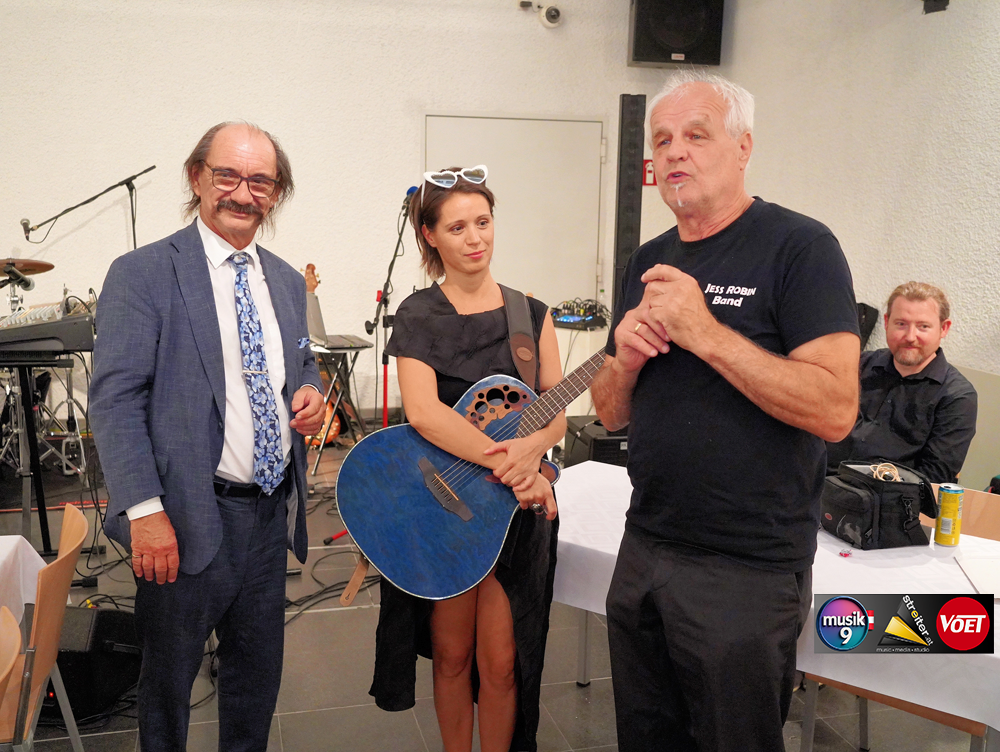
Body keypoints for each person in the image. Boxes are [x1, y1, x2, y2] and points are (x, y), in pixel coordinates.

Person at [590, 71, 861, 752]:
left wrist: (705, 331)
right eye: (662, 140)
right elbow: (611, 414)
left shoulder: (800, 248)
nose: (674, 152)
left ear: (743, 147)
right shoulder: (648, 260)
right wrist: (624, 359)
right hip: (646, 545)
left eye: (696, 135)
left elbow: (835, 409)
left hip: (746, 569)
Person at [89, 122, 326, 752]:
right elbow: (115, 402)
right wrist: (144, 512)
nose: (243, 194)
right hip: (184, 516)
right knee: (166, 689)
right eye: (228, 175)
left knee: (255, 684)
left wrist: (310, 389)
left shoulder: (285, 281)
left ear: (276, 193)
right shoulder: (142, 273)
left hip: (268, 518)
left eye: (261, 182)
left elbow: (302, 361)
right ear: (197, 178)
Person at [369, 166, 564, 752]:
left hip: (514, 512)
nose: (475, 238)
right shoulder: (418, 315)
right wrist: (514, 462)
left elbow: (554, 411)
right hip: (444, 507)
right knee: (452, 653)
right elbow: (425, 413)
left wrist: (532, 456)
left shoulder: (532, 313)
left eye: (483, 222)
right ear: (430, 235)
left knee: (502, 661)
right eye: (457, 227)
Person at [827, 281, 977, 483]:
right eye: (901, 324)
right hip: (817, 483)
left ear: (944, 328)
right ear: (887, 322)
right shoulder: (858, 365)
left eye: (923, 326)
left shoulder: (958, 396)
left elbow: (933, 478)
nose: (910, 337)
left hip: (887, 496)